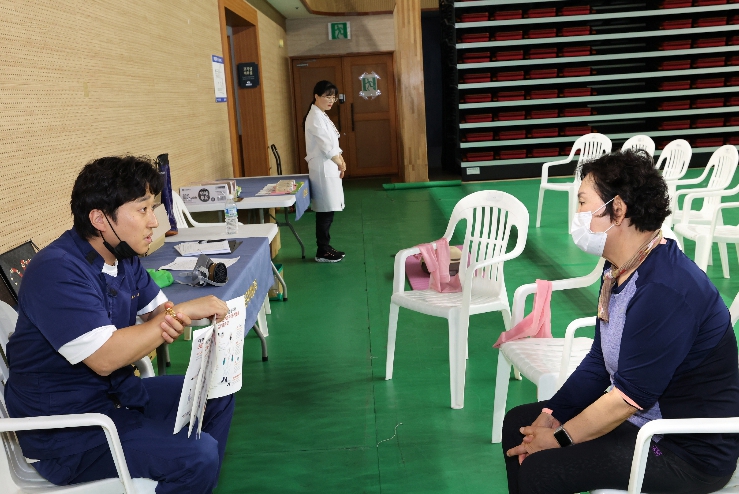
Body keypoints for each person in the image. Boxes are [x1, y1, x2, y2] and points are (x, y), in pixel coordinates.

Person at [502, 150, 739, 494]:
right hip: (640, 423)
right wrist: (554, 414)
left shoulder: (664, 289)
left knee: (543, 468)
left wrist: (559, 438)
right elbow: (600, 360)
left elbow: (628, 398)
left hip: (683, 451)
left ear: (618, 210)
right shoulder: (619, 268)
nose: (577, 215)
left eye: (583, 203)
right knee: (519, 425)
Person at [5, 156, 235, 493]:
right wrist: (177, 315)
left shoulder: (123, 258)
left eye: (153, 208)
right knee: (196, 457)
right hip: (70, 435)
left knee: (215, 389)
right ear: (99, 219)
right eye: (142, 209)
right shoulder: (56, 270)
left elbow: (162, 315)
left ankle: (190, 475)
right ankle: (189, 467)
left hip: (117, 399)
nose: (154, 222)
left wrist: (194, 316)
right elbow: (105, 358)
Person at [304, 80, 346, 263]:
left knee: (328, 211)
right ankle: (322, 250)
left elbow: (333, 143)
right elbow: (326, 145)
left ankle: (326, 247)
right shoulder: (314, 117)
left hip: (329, 166)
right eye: (327, 96)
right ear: (316, 96)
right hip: (322, 169)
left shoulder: (321, 114)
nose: (331, 101)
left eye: (333, 97)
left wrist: (341, 160)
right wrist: (340, 163)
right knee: (324, 212)